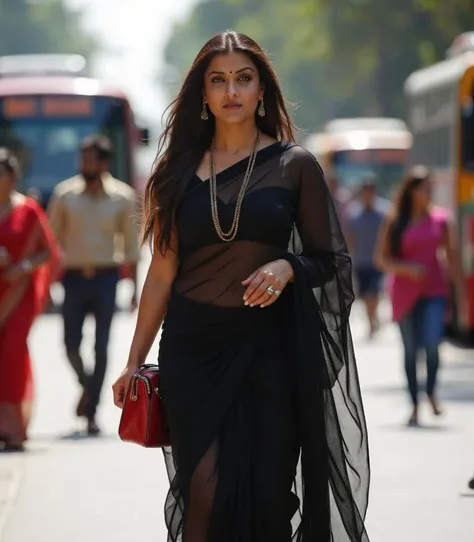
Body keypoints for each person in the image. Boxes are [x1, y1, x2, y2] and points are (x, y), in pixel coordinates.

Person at [112, 31, 370, 542]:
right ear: (203, 96)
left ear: (261, 90)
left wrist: (288, 267)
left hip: (271, 350)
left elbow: (333, 262)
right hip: (193, 351)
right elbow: (161, 272)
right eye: (218, 80)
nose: (231, 90)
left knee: (269, 495)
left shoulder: (295, 166)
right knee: (202, 489)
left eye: (243, 78)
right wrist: (133, 360)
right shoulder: (173, 173)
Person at [48, 135, 140, 436]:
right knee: (70, 345)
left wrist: (135, 291)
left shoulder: (122, 197)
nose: (84, 165)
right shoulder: (65, 195)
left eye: (90, 160)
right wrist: (47, 284)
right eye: (82, 159)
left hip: (106, 278)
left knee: (101, 346)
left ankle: (91, 411)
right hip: (73, 279)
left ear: (103, 163)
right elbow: (51, 243)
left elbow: (131, 249)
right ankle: (88, 387)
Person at [375, 166, 464, 426]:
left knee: (433, 345)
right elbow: (381, 260)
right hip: (404, 294)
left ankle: (432, 392)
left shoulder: (442, 220)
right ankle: (414, 404)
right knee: (411, 351)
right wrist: (407, 269)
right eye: (423, 188)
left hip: (434, 291)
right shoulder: (395, 221)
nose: (428, 192)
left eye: (430, 188)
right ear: (411, 191)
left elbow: (453, 261)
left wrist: (463, 301)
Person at [0, 148, 61, 451]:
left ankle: (13, 428)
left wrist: (22, 266)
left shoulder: (28, 210)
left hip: (18, 293)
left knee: (12, 353)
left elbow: (48, 252)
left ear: (12, 177)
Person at [346, 176, 389, 337]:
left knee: (373, 292)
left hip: (379, 261)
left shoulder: (385, 210)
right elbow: (349, 237)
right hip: (361, 261)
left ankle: (372, 323)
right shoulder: (354, 212)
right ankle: (373, 318)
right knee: (366, 295)